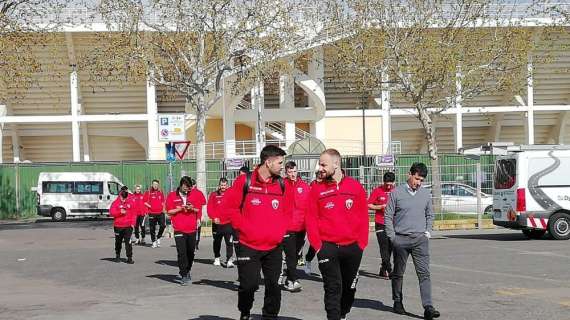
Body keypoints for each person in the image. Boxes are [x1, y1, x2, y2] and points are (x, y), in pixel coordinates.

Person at [220, 145, 294, 320]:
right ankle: (245, 311)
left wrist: (280, 231)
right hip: (248, 245)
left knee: (274, 286)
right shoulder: (245, 181)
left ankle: (269, 315)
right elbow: (230, 208)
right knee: (248, 285)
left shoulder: (282, 184)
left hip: (273, 246)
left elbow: (288, 211)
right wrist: (243, 228)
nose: (282, 167)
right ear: (268, 162)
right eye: (279, 162)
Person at [306, 149, 369, 320]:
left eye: (324, 164)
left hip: (353, 247)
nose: (320, 168)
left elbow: (363, 217)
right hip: (328, 247)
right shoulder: (316, 190)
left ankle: (343, 313)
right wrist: (318, 246)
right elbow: (310, 219)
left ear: (336, 163)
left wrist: (361, 244)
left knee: (348, 289)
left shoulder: (355, 187)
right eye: (320, 164)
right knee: (332, 287)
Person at [385, 162, 440, 320]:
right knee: (398, 273)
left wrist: (428, 232)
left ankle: (428, 307)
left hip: (420, 240)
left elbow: (430, 214)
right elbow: (388, 216)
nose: (419, 183)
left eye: (421, 180)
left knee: (424, 273)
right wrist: (392, 237)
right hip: (400, 239)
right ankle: (397, 301)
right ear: (409, 174)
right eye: (417, 179)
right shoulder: (396, 193)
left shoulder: (425, 194)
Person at [165, 176, 201, 286]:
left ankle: (188, 269)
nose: (187, 190)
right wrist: (180, 208)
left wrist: (192, 208)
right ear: (181, 185)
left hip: (191, 228)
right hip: (179, 228)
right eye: (185, 187)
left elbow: (198, 209)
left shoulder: (194, 194)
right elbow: (169, 211)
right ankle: (184, 274)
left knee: (191, 252)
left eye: (189, 188)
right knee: (182, 253)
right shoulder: (172, 196)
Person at [280, 161, 310, 292]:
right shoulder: (281, 185)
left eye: (294, 171)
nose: (292, 174)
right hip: (286, 226)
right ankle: (293, 280)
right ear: (285, 172)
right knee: (291, 254)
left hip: (301, 226)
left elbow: (310, 205)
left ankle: (288, 277)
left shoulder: (304, 186)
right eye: (290, 172)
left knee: (296, 254)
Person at [367, 171, 396, 279]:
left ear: (394, 182)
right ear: (383, 182)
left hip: (393, 224)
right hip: (380, 223)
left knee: (391, 248)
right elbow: (368, 204)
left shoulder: (396, 191)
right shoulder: (377, 190)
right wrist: (380, 207)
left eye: (390, 184)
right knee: (384, 247)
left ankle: (383, 268)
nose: (388, 186)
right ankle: (389, 269)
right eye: (386, 184)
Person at [208, 177, 235, 267]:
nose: (223, 187)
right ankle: (217, 258)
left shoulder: (231, 194)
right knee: (217, 241)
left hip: (228, 223)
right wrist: (213, 217)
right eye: (221, 185)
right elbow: (210, 208)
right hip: (217, 224)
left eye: (224, 185)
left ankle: (229, 259)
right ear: (219, 185)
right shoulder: (213, 195)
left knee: (229, 242)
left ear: (227, 185)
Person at [109, 186, 137, 264]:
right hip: (118, 226)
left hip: (128, 226)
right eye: (122, 197)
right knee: (118, 241)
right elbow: (111, 213)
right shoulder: (115, 203)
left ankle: (129, 257)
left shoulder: (131, 202)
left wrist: (133, 223)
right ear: (120, 195)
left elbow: (134, 213)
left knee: (128, 242)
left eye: (125, 197)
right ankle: (118, 255)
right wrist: (120, 212)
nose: (123, 199)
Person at [303, 171, 322, 276]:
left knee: (325, 245)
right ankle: (308, 260)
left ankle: (325, 267)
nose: (321, 177)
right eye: (319, 175)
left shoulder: (326, 185)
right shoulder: (312, 186)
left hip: (324, 219)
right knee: (314, 244)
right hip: (313, 219)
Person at [143, 180, 166, 248]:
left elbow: (163, 201)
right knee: (152, 228)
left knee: (163, 226)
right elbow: (144, 201)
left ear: (158, 185)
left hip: (160, 212)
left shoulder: (160, 192)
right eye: (154, 184)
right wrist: (150, 206)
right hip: (152, 213)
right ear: (152, 185)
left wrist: (163, 208)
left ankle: (158, 237)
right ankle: (153, 242)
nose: (155, 185)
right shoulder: (148, 192)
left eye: (156, 184)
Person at [189, 179, 206, 251]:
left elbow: (204, 202)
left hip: (197, 214)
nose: (191, 186)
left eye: (192, 185)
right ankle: (193, 243)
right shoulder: (187, 192)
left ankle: (196, 243)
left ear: (195, 185)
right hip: (190, 214)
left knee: (197, 229)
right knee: (192, 229)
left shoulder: (198, 193)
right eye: (190, 185)